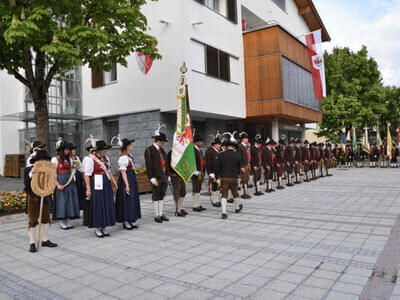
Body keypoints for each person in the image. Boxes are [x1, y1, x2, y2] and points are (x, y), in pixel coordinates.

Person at [24, 150, 58, 253]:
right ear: (37, 160)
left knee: (46, 218)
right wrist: (31, 174)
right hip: (33, 197)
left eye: (45, 159)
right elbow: (26, 183)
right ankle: (32, 242)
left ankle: (45, 239)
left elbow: (51, 183)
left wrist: (54, 178)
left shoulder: (49, 170)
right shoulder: (29, 169)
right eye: (42, 159)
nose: (44, 161)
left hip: (45, 195)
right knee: (32, 219)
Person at [83, 139, 116, 237]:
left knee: (106, 203)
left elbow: (108, 171)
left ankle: (105, 226)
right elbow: (87, 175)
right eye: (103, 150)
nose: (105, 152)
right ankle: (98, 227)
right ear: (97, 151)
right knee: (98, 205)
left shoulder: (106, 159)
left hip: (105, 183)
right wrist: (88, 188)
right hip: (96, 183)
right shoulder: (90, 159)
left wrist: (113, 180)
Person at [51, 138, 80, 229]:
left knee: (70, 201)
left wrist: (76, 167)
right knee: (62, 201)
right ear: (62, 150)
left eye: (68, 149)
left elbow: (72, 170)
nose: (68, 151)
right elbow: (53, 173)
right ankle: (62, 222)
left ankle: (67, 221)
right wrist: (57, 184)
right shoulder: (55, 159)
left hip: (69, 182)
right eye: (66, 149)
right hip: (61, 182)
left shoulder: (70, 159)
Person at [144, 125, 170, 223]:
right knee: (156, 195)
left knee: (162, 195)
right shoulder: (149, 150)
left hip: (163, 176)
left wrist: (167, 174)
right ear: (158, 141)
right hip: (155, 176)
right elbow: (148, 165)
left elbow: (166, 163)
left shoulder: (162, 150)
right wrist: (151, 177)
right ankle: (156, 215)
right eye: (163, 142)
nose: (163, 143)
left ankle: (161, 213)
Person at [115, 138, 142, 229]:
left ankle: (131, 219)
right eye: (130, 145)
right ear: (126, 147)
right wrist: (127, 184)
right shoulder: (123, 158)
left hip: (131, 178)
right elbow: (123, 172)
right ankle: (126, 220)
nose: (132, 146)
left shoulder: (128, 156)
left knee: (132, 199)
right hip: (126, 179)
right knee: (126, 199)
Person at [215, 133, 242, 219]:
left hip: (224, 177)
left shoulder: (221, 155)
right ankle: (237, 208)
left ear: (226, 147)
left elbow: (217, 168)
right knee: (235, 193)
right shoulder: (238, 155)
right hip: (234, 177)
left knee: (224, 194)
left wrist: (218, 178)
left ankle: (224, 212)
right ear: (234, 147)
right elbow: (239, 168)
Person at [205, 135, 222, 207]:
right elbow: (208, 163)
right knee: (214, 186)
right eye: (218, 144)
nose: (219, 146)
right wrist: (210, 173)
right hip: (213, 173)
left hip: (218, 172)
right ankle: (214, 201)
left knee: (217, 186)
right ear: (214, 145)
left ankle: (217, 200)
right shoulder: (209, 151)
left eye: (220, 144)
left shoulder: (217, 151)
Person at [69, 143, 85, 211]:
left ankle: (79, 205)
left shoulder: (77, 158)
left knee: (79, 189)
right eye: (73, 150)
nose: (74, 151)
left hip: (77, 175)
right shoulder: (68, 159)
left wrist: (83, 174)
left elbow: (81, 167)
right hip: (71, 175)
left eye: (74, 150)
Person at [192, 134, 206, 212]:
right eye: (201, 142)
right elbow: (191, 161)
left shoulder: (199, 150)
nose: (202, 143)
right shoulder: (192, 150)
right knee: (195, 188)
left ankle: (198, 204)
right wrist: (194, 170)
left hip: (200, 172)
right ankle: (195, 205)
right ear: (197, 142)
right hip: (195, 172)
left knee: (199, 188)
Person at [238, 132, 252, 199]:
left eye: (247, 138)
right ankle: (244, 193)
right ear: (242, 139)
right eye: (246, 138)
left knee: (246, 179)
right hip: (243, 165)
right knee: (243, 180)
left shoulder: (246, 146)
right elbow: (239, 157)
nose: (247, 140)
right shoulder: (240, 146)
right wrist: (241, 166)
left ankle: (246, 192)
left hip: (247, 164)